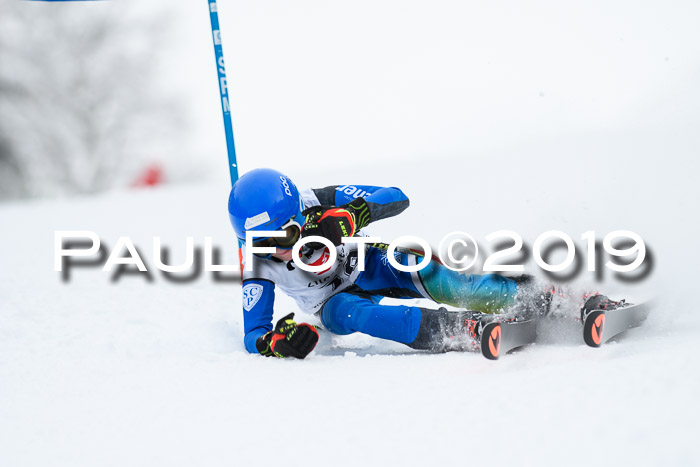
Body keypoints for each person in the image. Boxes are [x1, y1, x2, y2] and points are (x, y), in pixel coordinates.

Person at [228, 168, 623, 358]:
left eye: (285, 235)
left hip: (366, 262)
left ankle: (557, 299)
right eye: (261, 243)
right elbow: (254, 333)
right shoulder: (258, 264)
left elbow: (395, 195)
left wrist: (350, 215)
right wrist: (274, 343)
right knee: (355, 313)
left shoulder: (317, 199)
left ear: (300, 212)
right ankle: (460, 330)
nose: (276, 249)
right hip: (330, 303)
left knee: (442, 279)